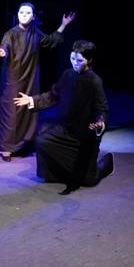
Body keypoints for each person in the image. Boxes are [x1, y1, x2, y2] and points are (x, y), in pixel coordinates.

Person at [13, 40, 113, 195]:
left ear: (89, 60)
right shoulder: (67, 75)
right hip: (65, 130)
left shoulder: (95, 81)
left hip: (84, 136)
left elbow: (102, 109)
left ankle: (107, 163)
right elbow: (54, 95)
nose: (75, 63)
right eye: (72, 58)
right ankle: (59, 175)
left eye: (79, 60)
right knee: (42, 141)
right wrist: (32, 100)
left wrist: (100, 123)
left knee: (89, 180)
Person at [0, 2, 75, 161]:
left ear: (33, 16)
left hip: (30, 77)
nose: (24, 15)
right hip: (13, 78)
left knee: (28, 109)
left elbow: (51, 40)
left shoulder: (35, 32)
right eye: (21, 12)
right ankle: (7, 148)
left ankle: (25, 144)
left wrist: (63, 25)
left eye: (27, 13)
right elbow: (4, 46)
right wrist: (2, 51)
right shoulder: (10, 33)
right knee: (10, 111)